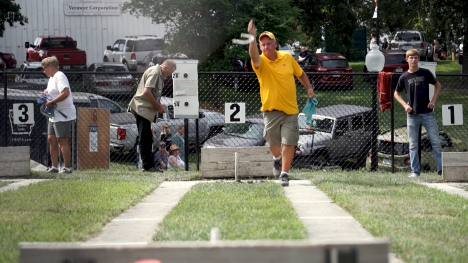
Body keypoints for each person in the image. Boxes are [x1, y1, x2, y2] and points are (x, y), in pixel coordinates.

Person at [247, 19, 316, 187]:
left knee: (289, 142)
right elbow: (253, 55)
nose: (265, 47)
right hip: (270, 110)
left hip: (290, 110)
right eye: (262, 44)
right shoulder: (260, 62)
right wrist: (251, 37)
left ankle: (284, 173)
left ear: (275, 44)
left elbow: (300, 73)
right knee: (272, 143)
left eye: (269, 43)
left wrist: (309, 88)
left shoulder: (287, 57)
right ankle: (277, 159)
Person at [394, 49, 443, 178]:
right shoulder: (404, 77)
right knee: (413, 144)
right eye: (411, 58)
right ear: (407, 59)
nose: (413, 60)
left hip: (427, 114)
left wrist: (433, 101)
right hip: (412, 115)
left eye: (415, 57)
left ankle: (441, 171)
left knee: (436, 142)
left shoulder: (425, 73)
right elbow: (396, 93)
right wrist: (405, 105)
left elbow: (438, 85)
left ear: (418, 59)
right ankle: (415, 171)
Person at [129, 60, 176, 173]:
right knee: (145, 138)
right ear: (164, 67)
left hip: (145, 110)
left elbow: (153, 93)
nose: (169, 76)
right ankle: (147, 167)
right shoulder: (155, 72)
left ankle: (149, 166)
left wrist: (160, 105)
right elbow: (146, 92)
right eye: (169, 73)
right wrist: (159, 107)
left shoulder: (158, 73)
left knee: (148, 138)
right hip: (142, 109)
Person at [41, 56, 76, 174]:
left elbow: (65, 93)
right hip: (54, 114)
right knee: (51, 139)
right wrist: (44, 94)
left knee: (62, 140)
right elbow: (51, 91)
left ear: (51, 66)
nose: (43, 71)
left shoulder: (60, 76)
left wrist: (52, 102)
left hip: (63, 114)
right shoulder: (51, 78)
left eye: (44, 68)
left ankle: (66, 168)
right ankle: (54, 167)